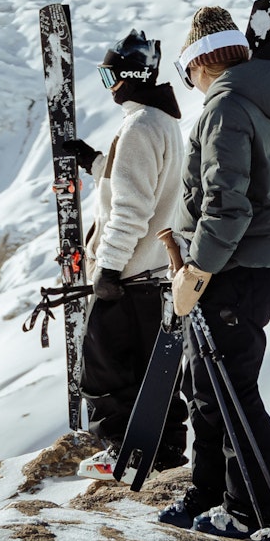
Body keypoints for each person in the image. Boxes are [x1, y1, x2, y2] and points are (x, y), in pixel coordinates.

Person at [156, 6, 270, 541]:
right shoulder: (250, 102)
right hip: (241, 264)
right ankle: (210, 491)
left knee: (233, 389)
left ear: (203, 61)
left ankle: (255, 512)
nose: (187, 81)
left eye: (185, 68)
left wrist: (196, 270)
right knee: (207, 387)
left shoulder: (227, 109)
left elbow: (227, 207)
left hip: (235, 268)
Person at [64, 30, 188, 479]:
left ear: (125, 75)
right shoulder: (163, 122)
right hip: (156, 271)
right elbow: (144, 184)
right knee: (154, 370)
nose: (109, 84)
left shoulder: (138, 127)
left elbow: (131, 209)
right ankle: (167, 452)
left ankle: (122, 451)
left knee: (106, 370)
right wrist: (95, 162)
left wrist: (108, 268)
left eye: (108, 74)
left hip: (129, 273)